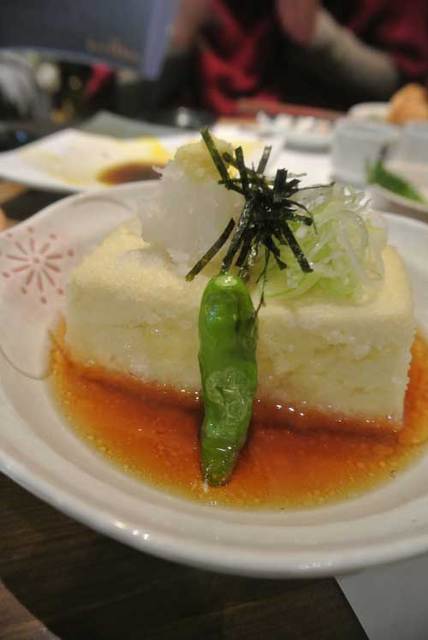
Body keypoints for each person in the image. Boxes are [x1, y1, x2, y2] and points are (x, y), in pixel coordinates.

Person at [165, 0, 428, 115]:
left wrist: (316, 35)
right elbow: (150, 102)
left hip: (334, 147)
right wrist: (177, 37)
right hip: (204, 130)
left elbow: (400, 89)